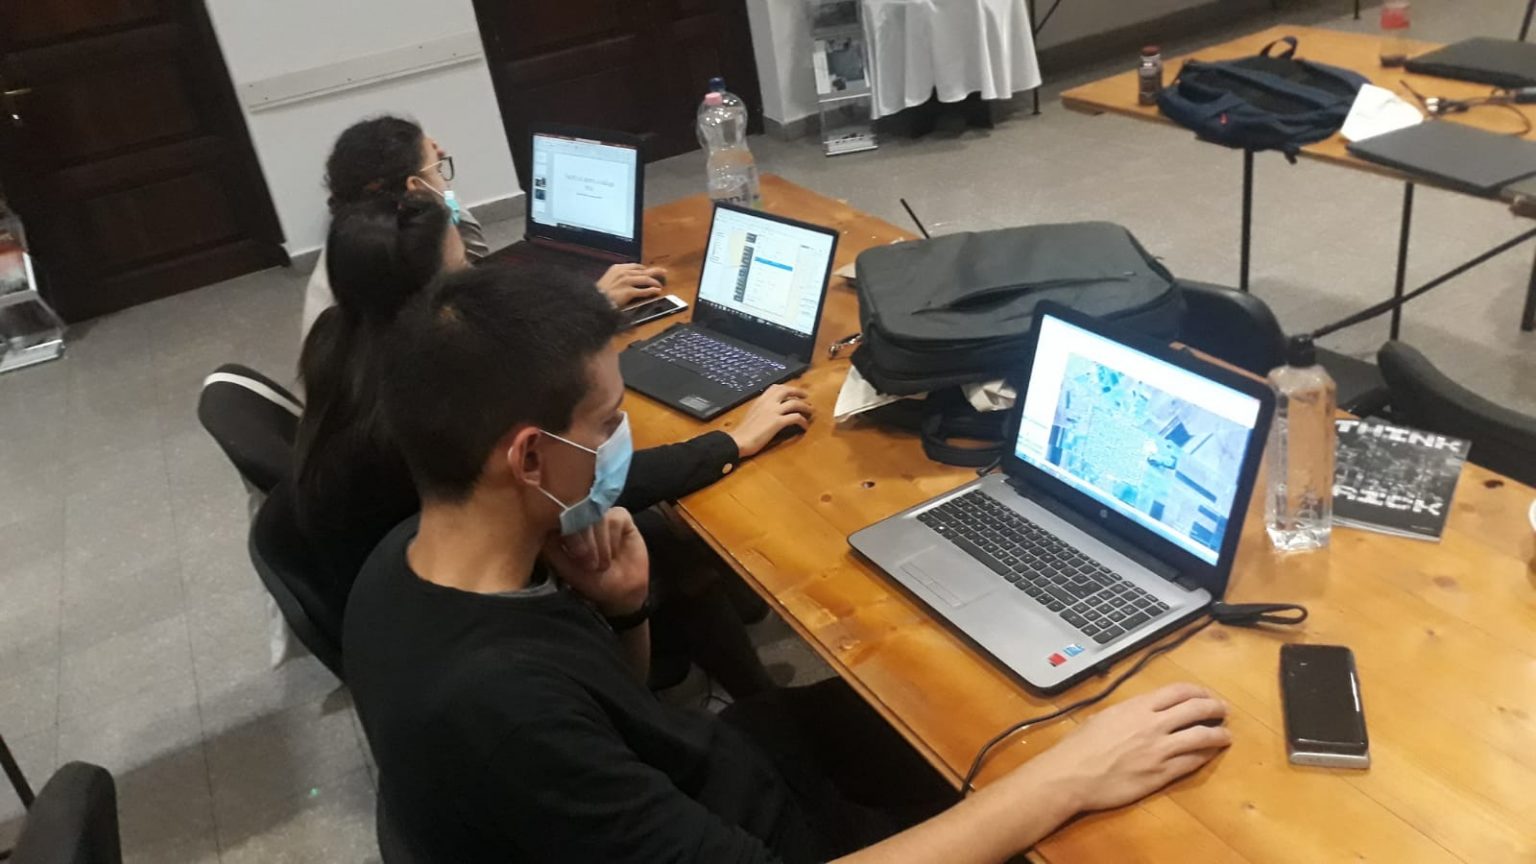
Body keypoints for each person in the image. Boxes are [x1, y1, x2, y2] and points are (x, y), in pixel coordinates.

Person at [345, 265, 1235, 863]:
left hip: (727, 772)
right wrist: (1068, 779)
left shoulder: (397, 567)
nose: (620, 443)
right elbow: (560, 739)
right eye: (609, 423)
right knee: (1104, 808)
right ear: (531, 458)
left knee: (969, 710)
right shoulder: (500, 713)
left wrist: (625, 610)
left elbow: (614, 718)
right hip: (780, 833)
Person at [303, 115, 669, 337]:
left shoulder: (357, 244)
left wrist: (429, 175)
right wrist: (594, 302)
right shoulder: (393, 268)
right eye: (438, 168)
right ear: (415, 190)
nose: (446, 178)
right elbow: (503, 352)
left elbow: (473, 272)